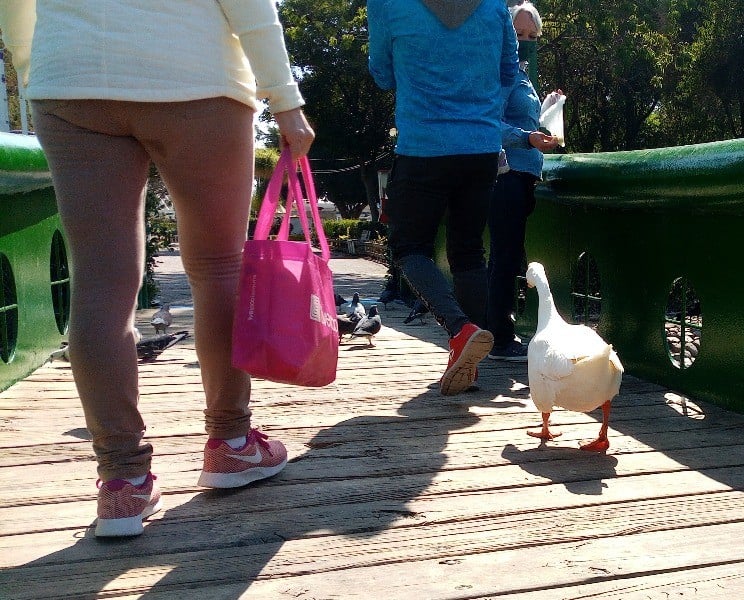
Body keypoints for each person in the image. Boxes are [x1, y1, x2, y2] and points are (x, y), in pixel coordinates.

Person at [0, 0, 315, 536]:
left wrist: (39, 66)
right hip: (194, 78)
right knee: (218, 268)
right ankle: (232, 443)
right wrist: (285, 99)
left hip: (69, 82)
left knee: (99, 280)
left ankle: (122, 482)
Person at [367, 0, 518, 394]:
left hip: (423, 146)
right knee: (468, 252)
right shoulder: (494, 6)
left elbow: (382, 74)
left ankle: (459, 329)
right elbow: (508, 70)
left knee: (408, 247)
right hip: (481, 146)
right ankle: (466, 362)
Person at [485, 1, 561, 362]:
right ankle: (499, 338)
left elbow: (526, 123)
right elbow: (488, 124)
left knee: (509, 253)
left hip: (525, 175)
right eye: (518, 34)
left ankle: (495, 330)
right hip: (506, 174)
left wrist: (547, 109)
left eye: (532, 35)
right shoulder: (501, 74)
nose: (525, 41)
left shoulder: (523, 76)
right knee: (504, 255)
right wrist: (526, 138)